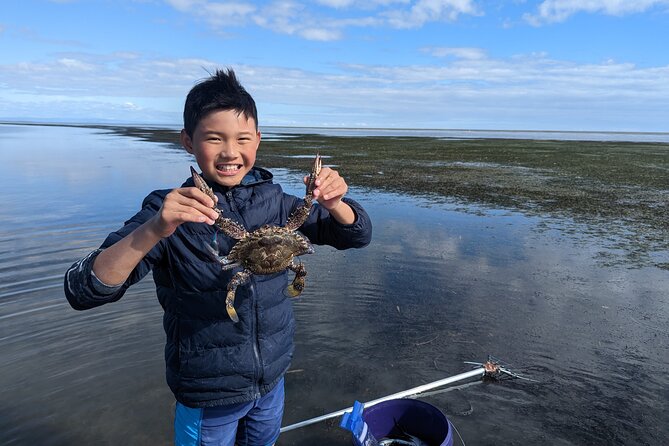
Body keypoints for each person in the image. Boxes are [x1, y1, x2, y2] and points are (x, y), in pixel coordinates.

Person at [63, 68, 372, 446]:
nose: (230, 152)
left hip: (272, 380)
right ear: (188, 142)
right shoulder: (168, 211)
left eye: (243, 138)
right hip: (208, 394)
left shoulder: (278, 205)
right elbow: (83, 289)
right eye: (214, 138)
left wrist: (336, 204)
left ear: (258, 139)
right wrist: (155, 229)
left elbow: (356, 235)